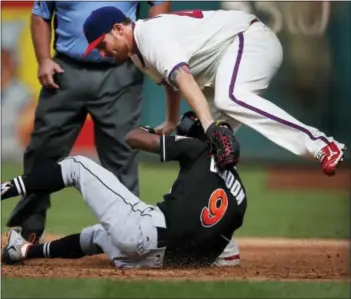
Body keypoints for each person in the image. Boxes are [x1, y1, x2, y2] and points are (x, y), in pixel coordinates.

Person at [81, 7, 346, 177]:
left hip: (250, 39)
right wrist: (172, 122)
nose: (102, 53)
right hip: (227, 62)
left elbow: (183, 77)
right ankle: (220, 242)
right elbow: (171, 84)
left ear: (118, 29)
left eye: (102, 45)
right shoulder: (137, 55)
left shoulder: (149, 36)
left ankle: (323, 145)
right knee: (198, 139)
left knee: (228, 100)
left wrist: (211, 125)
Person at [6, 1, 171, 244]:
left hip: (120, 70)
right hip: (65, 69)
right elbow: (40, 13)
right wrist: (43, 59)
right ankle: (29, 226)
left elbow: (159, 3)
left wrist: (147, 42)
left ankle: (128, 233)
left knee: (121, 154)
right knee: (43, 150)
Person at [1, 111, 246, 269]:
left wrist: (154, 131)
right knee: (98, 235)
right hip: (155, 261)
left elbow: (132, 139)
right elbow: (218, 253)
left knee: (77, 166)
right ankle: (24, 250)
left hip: (144, 233)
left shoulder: (197, 148)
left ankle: (3, 189)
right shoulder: (241, 197)